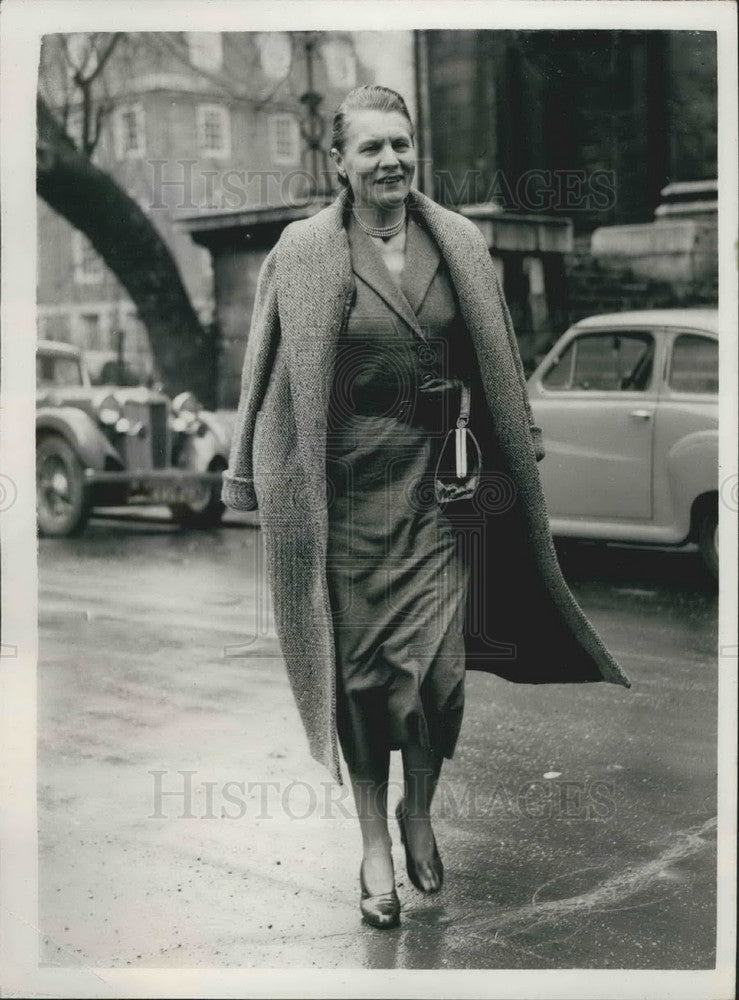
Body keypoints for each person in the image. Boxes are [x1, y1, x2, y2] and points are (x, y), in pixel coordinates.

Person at [222, 85, 630, 930]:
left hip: (445, 489)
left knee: (439, 681)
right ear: (337, 162)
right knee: (367, 683)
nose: (390, 162)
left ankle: (419, 810)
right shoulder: (301, 251)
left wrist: (513, 428)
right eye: (369, 148)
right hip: (346, 491)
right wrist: (244, 470)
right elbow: (263, 367)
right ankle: (374, 841)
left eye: (400, 145)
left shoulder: (457, 238)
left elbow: (495, 348)